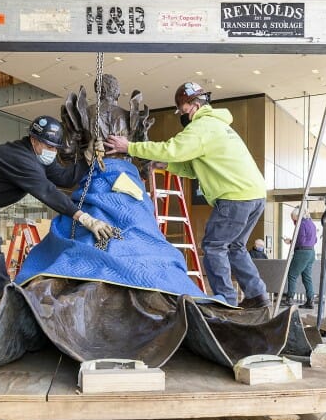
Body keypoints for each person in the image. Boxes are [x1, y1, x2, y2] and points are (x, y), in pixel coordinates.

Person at [106, 82, 269, 308]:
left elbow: (172, 148)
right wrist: (167, 165)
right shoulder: (218, 126)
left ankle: (226, 301)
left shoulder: (202, 127)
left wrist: (130, 147)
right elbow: (193, 168)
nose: (182, 117)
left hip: (235, 196)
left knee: (214, 246)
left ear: (193, 106)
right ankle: (257, 295)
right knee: (235, 247)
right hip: (255, 195)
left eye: (182, 111)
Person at [0, 115, 116, 299]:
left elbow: (64, 178)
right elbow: (48, 192)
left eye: (55, 147)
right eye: (49, 146)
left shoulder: (41, 158)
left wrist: (87, 159)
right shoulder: (20, 158)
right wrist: (86, 218)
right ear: (34, 140)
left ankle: (1, 294)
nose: (53, 151)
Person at [282, 208, 316, 308]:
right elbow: (315, 240)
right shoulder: (312, 224)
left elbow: (300, 241)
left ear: (298, 216)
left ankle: (290, 298)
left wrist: (291, 241)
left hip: (302, 252)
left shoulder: (301, 224)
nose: (294, 221)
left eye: (293, 218)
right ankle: (310, 301)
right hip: (311, 252)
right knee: (307, 277)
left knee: (292, 274)